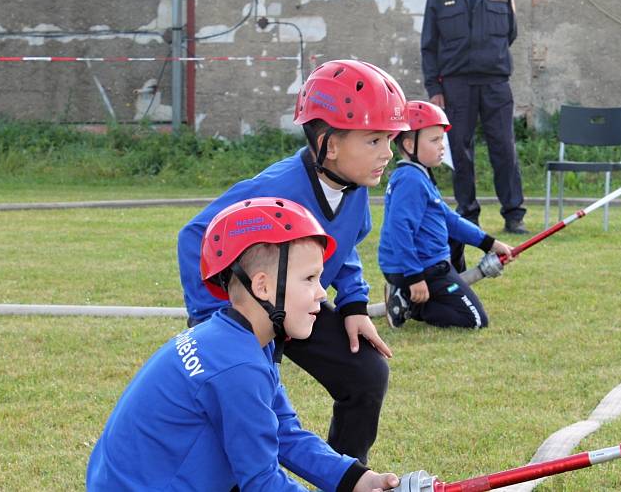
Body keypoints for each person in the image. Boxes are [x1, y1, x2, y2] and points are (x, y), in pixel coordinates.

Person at [177, 60, 410, 464]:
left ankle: (347, 475)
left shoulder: (354, 186)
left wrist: (354, 304)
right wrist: (215, 320)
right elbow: (194, 236)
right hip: (256, 311)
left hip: (302, 303)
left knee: (366, 374)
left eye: (389, 140)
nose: (387, 154)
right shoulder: (275, 188)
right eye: (374, 141)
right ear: (329, 145)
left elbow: (344, 244)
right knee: (252, 410)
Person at [87, 198, 400, 491]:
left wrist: (357, 479)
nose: (322, 293)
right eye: (309, 279)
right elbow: (261, 482)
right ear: (262, 286)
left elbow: (284, 432)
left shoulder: (236, 341)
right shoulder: (238, 366)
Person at [421, 0, 528, 273]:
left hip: (495, 82)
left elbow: (510, 31)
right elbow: (429, 44)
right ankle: (468, 216)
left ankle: (514, 215)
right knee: (460, 152)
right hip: (456, 84)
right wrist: (433, 88)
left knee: (504, 149)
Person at [379, 100, 514, 329]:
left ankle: (430, 293)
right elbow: (399, 230)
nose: (442, 146)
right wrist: (414, 277)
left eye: (442, 139)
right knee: (475, 320)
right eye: (434, 140)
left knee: (454, 237)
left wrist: (489, 243)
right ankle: (410, 303)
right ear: (410, 144)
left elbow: (450, 220)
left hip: (428, 263)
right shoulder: (411, 180)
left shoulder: (419, 175)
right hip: (419, 269)